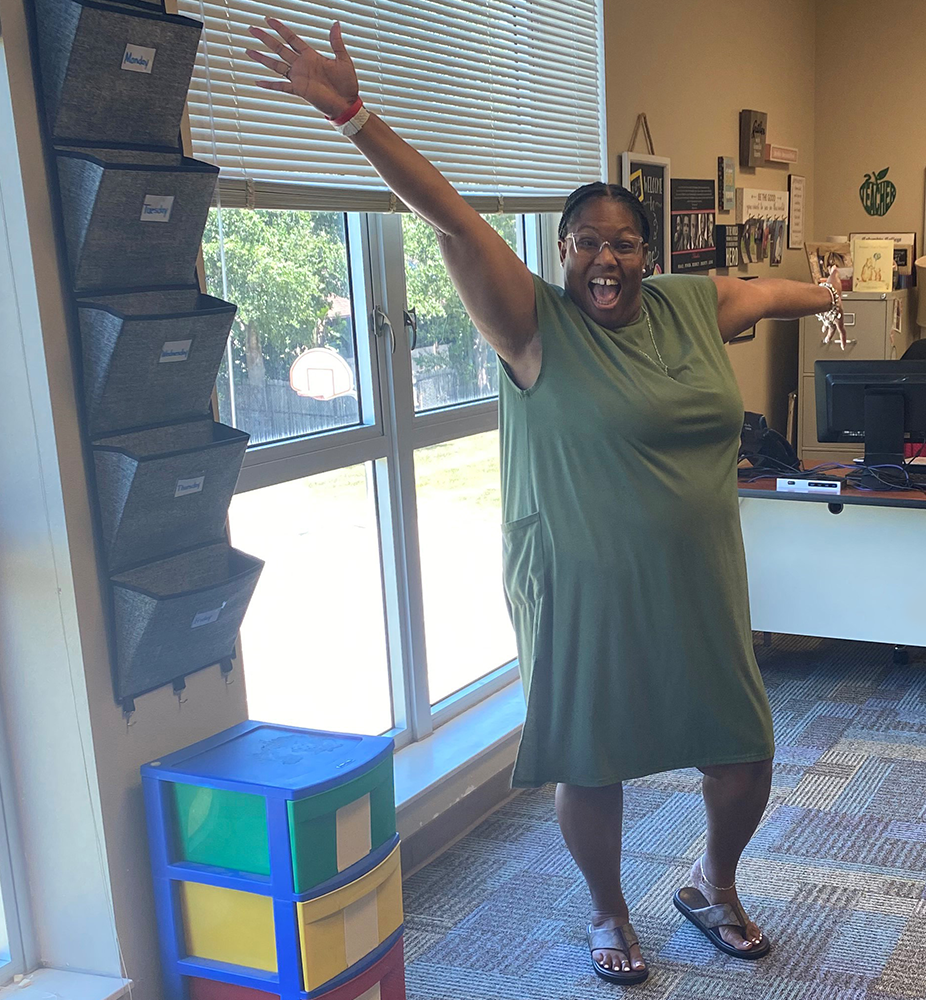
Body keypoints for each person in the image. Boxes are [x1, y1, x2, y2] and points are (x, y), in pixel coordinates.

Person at [245, 17, 847, 987]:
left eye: (622, 246)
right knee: (592, 753)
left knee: (743, 749)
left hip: (701, 578)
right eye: (584, 245)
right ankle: (608, 908)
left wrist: (822, 293)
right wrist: (354, 115)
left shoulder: (692, 307)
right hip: (579, 583)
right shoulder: (531, 324)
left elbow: (764, 295)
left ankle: (711, 880)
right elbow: (448, 213)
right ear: (561, 250)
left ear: (648, 254)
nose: (604, 263)